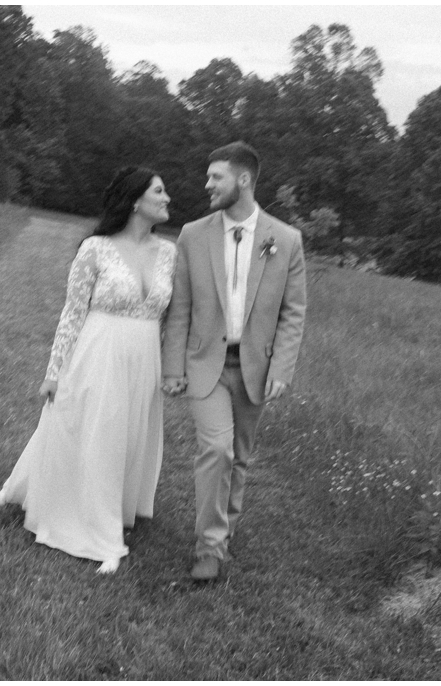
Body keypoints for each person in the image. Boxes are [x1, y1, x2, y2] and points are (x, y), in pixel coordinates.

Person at [0, 166, 176, 574]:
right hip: (99, 351)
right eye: (159, 192)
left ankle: (100, 503)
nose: (167, 199)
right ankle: (101, 535)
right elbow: (72, 314)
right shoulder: (95, 249)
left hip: (144, 356)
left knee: (128, 438)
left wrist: (167, 367)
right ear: (135, 200)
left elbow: (168, 319)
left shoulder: (169, 252)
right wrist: (54, 371)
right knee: (99, 434)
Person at [162, 141, 307, 582]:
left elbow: (293, 311)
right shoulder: (193, 234)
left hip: (254, 368)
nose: (207, 184)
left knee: (239, 458)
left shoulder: (285, 240)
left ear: (243, 180)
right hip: (206, 363)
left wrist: (281, 368)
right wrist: (172, 367)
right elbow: (180, 306)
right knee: (217, 449)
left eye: (216, 177)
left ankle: (224, 534)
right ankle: (208, 547)